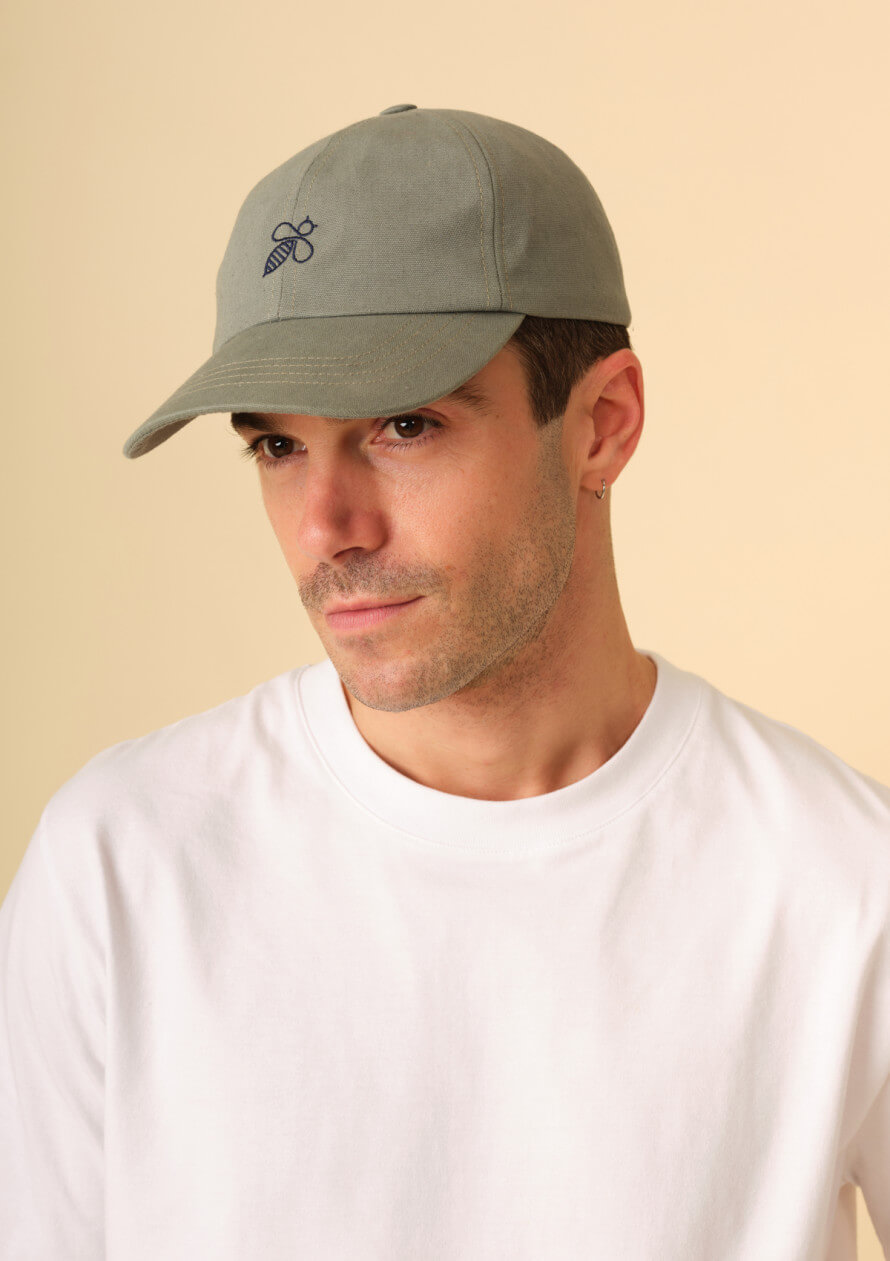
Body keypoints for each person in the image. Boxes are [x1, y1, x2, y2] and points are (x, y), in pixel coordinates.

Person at [0, 104, 887, 1261]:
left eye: (404, 425)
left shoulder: (838, 882)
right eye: (276, 446)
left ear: (602, 424)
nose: (324, 527)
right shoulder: (123, 863)